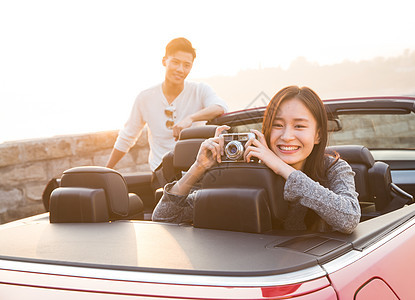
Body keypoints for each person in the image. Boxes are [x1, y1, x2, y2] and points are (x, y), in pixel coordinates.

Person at [152, 86, 361, 234]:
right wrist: (198, 169)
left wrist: (280, 167)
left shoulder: (334, 167)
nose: (287, 136)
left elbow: (348, 218)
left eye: (299, 126)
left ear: (318, 135)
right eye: (278, 125)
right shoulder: (249, 170)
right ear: (267, 131)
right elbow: (164, 218)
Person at [106, 37, 228, 171]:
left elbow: (220, 107)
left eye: (186, 65)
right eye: (175, 62)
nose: (180, 69)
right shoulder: (145, 97)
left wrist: (190, 118)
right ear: (164, 61)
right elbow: (127, 137)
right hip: (162, 173)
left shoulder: (200, 90)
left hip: (197, 170)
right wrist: (105, 171)